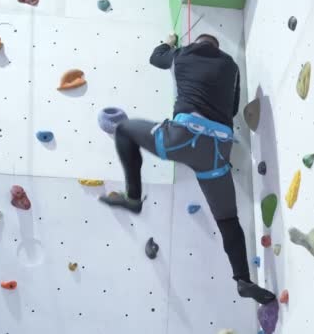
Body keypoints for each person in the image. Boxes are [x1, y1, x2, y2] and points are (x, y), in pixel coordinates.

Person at [99, 33, 276, 305]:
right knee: (228, 220)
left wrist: (170, 42)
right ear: (217, 47)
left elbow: (156, 57)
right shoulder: (231, 66)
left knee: (123, 130)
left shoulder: (182, 54)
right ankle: (243, 280)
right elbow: (230, 109)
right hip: (217, 152)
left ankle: (134, 198)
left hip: (182, 137)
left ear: (197, 43)